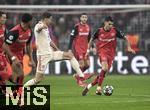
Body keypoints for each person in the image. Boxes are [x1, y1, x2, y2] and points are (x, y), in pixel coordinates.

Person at [24, 12, 85, 87]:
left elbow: (50, 41)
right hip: (43, 56)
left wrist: (57, 49)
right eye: (50, 19)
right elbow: (38, 29)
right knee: (38, 79)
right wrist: (42, 26)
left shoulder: (47, 28)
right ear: (46, 19)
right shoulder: (38, 25)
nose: (51, 21)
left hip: (51, 53)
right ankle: (22, 89)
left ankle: (81, 76)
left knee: (70, 55)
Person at [82, 16, 136, 96]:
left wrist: (129, 47)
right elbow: (91, 40)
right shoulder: (99, 31)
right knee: (104, 68)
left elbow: (126, 38)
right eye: (109, 24)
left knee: (103, 74)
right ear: (105, 23)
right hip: (102, 52)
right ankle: (99, 88)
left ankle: (88, 86)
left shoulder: (115, 30)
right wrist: (87, 51)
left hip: (111, 54)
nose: (111, 26)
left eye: (112, 24)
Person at [2, 13, 35, 96]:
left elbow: (28, 45)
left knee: (16, 77)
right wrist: (12, 57)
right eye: (32, 20)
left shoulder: (30, 31)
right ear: (28, 22)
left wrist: (31, 59)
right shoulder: (15, 31)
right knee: (21, 74)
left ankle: (15, 92)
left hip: (20, 55)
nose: (33, 22)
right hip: (10, 54)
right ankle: (19, 94)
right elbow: (5, 45)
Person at [68, 13, 94, 86]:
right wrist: (69, 49)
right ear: (80, 18)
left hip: (85, 49)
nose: (84, 19)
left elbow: (90, 38)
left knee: (88, 65)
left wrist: (93, 47)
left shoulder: (88, 27)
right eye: (83, 17)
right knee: (81, 65)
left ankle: (77, 75)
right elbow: (71, 37)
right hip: (78, 48)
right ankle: (80, 81)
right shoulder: (76, 27)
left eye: (86, 17)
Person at [0, 11, 10, 93]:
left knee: (5, 73)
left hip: (2, 53)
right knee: (4, 73)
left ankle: (4, 90)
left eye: (5, 17)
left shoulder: (3, 27)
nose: (5, 19)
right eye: (3, 17)